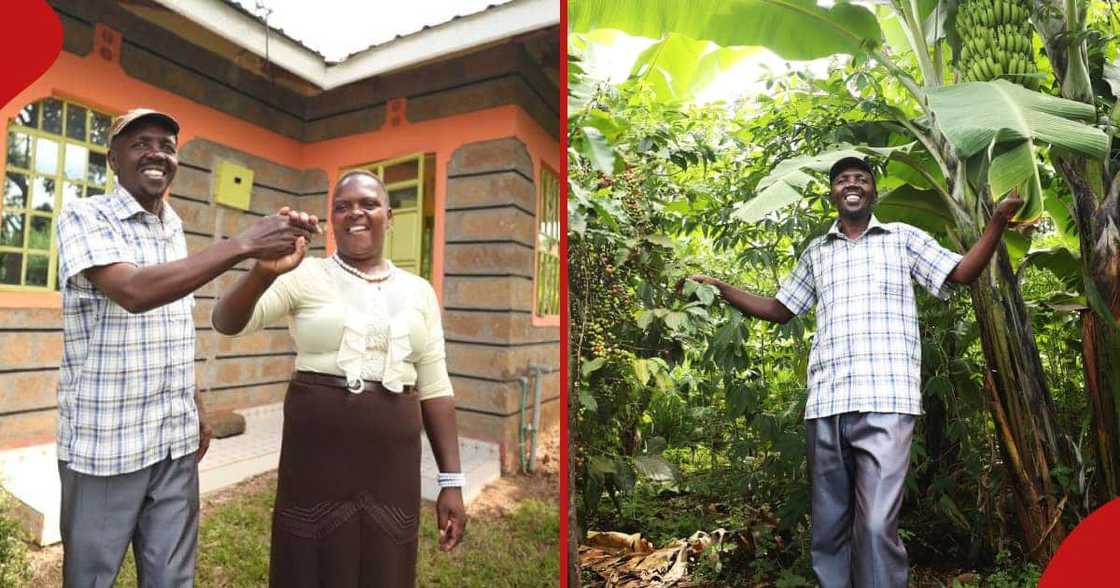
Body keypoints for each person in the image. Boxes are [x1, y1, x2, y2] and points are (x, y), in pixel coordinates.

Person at [684, 157, 1024, 587]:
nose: (852, 184)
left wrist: (995, 223)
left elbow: (960, 273)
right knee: (828, 526)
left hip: (887, 400)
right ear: (832, 192)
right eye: (842, 179)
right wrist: (720, 287)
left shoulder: (902, 239)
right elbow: (778, 309)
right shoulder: (817, 252)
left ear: (873, 192)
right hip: (827, 402)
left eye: (861, 178)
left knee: (877, 522)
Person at [53, 108, 319, 586]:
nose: (157, 153)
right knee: (91, 579)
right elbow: (134, 292)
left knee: (172, 579)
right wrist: (242, 244)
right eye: (140, 144)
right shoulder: (83, 216)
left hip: (172, 444)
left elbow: (171, 324)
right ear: (113, 158)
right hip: (106, 447)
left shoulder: (171, 226)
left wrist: (193, 404)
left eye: (167, 145)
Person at [211, 169, 467, 587]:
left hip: (392, 463)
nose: (355, 214)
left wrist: (451, 482)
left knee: (386, 567)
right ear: (331, 220)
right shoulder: (303, 274)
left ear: (389, 214)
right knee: (307, 566)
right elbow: (227, 321)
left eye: (368, 203)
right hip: (316, 458)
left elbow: (435, 388)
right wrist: (263, 272)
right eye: (342, 207)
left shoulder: (419, 291)